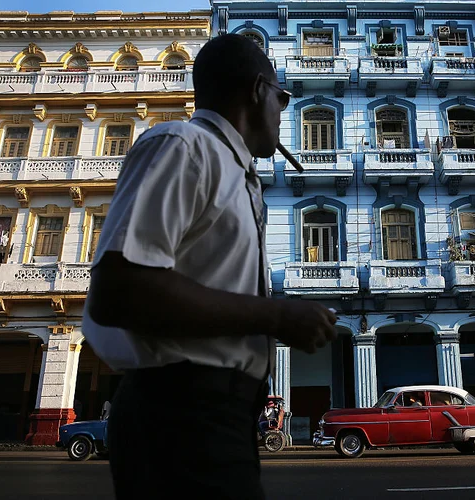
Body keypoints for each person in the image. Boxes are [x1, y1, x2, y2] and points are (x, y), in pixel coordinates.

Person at [82, 34, 337, 500]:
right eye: (282, 98)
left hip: (221, 417)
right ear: (259, 91)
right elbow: (119, 290)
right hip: (180, 413)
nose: (282, 112)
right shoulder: (185, 146)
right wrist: (275, 316)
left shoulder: (238, 173)